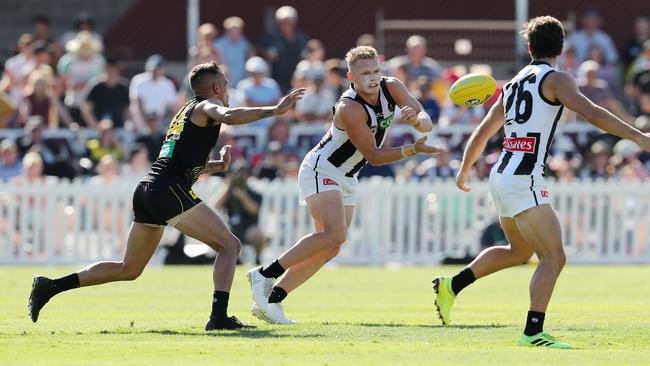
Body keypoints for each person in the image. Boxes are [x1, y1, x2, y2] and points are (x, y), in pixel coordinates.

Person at [28, 62, 306, 330]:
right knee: (229, 246)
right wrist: (276, 109)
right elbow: (229, 117)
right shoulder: (209, 105)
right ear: (217, 88)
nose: (228, 90)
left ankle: (51, 286)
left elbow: (177, 161)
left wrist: (214, 166)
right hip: (167, 190)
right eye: (226, 84)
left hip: (150, 188)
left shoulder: (185, 110)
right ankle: (218, 317)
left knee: (129, 269)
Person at [432, 16, 650, 349]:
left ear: (529, 47)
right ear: (561, 48)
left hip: (502, 175)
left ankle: (452, 285)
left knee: (519, 251)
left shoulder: (515, 82)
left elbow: (482, 132)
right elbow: (593, 113)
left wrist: (463, 172)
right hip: (524, 178)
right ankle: (533, 331)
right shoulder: (557, 79)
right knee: (554, 257)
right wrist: (637, 136)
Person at [247, 46, 443, 324]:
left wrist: (419, 121)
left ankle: (272, 299)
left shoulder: (393, 86)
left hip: (348, 175)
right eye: (366, 73)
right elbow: (374, 156)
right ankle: (264, 274)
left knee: (331, 246)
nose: (373, 78)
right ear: (351, 76)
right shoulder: (349, 107)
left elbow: (425, 120)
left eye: (376, 71)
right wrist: (412, 150)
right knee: (334, 235)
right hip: (322, 168)